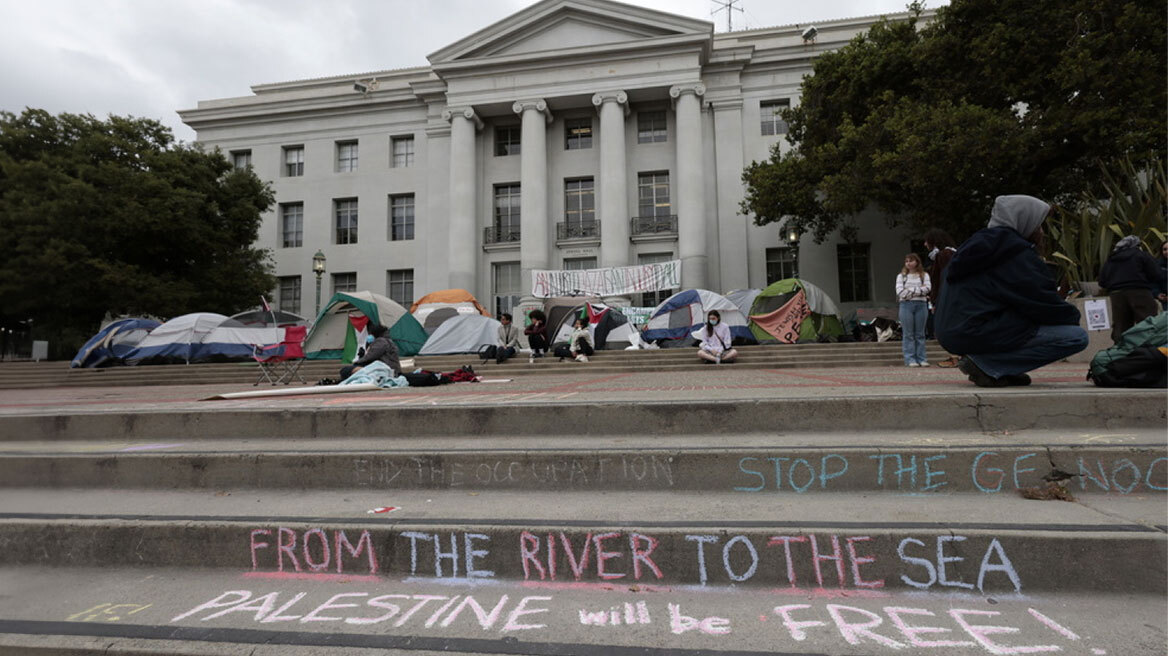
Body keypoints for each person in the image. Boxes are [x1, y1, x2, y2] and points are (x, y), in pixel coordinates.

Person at [935, 194, 1087, 387]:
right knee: (1076, 337)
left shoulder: (974, 247)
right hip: (974, 330)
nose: (1041, 232)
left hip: (952, 332)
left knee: (1020, 320)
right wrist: (1072, 317)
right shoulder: (1013, 253)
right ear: (1025, 221)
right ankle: (988, 365)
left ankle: (1002, 369)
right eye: (1038, 225)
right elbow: (1041, 302)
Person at [1100, 236, 1161, 344]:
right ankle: (1148, 351)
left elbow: (1102, 281)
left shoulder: (1112, 259)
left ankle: (1121, 352)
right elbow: (1156, 273)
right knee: (1147, 322)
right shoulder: (1140, 255)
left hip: (1116, 294)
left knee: (1120, 325)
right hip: (1139, 291)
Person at [923, 228, 960, 367]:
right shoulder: (949, 253)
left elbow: (943, 279)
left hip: (946, 298)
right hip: (947, 297)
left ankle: (955, 356)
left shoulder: (944, 255)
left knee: (945, 327)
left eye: (927, 241)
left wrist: (937, 299)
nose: (925, 244)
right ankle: (955, 356)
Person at [896, 253, 931, 367]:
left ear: (917, 262)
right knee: (908, 333)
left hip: (921, 304)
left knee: (920, 333)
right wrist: (918, 291)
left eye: (911, 261)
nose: (908, 263)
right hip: (906, 305)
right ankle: (910, 359)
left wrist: (910, 291)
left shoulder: (924, 275)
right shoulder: (901, 276)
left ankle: (922, 358)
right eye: (906, 261)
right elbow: (900, 292)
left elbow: (927, 288)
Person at [1157, 240, 1168, 310]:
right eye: (1165, 249)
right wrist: (1157, 294)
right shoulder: (1158, 265)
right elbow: (1153, 283)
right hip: (1165, 302)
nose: (1167, 251)